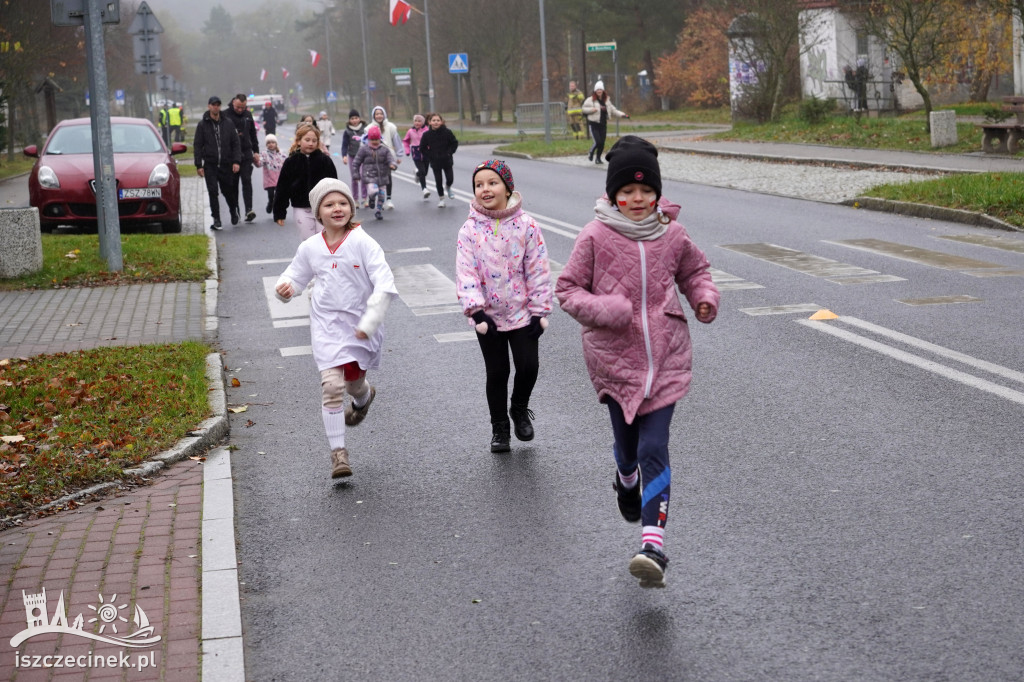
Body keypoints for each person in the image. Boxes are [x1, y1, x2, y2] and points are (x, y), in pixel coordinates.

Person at [555, 136, 718, 589]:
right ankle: (625, 479)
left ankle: (653, 547)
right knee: (627, 450)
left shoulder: (673, 234)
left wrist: (703, 297)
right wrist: (610, 310)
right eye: (627, 191)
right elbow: (567, 290)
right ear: (613, 194)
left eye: (646, 191)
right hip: (614, 359)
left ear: (658, 194)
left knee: (653, 448)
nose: (638, 200)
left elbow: (695, 272)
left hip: (666, 358)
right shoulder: (594, 236)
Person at [274, 178, 398, 480]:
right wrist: (285, 289)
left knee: (354, 385)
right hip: (327, 327)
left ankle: (363, 398)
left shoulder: (363, 242)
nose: (337, 209)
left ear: (351, 208)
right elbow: (294, 277)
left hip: (359, 328)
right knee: (331, 387)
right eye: (329, 204)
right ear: (318, 212)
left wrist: (370, 322)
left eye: (343, 203)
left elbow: (385, 284)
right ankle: (338, 454)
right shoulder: (310, 247)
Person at [455, 160, 553, 453]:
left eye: (492, 182)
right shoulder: (469, 229)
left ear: (507, 187)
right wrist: (476, 310)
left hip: (522, 312)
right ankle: (500, 428)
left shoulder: (527, 225)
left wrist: (540, 310)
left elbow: (538, 268)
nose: (485, 189)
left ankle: (519, 408)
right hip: (489, 317)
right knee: (497, 373)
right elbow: (466, 272)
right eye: (479, 185)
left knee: (528, 366)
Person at [273, 123, 338, 239]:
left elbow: (335, 186)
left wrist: (336, 207)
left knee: (324, 240)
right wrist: (279, 213)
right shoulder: (291, 162)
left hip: (323, 208)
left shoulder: (325, 161)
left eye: (314, 140)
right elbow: (282, 188)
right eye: (307, 140)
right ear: (298, 141)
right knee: (308, 242)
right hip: (301, 208)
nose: (311, 143)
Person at [193, 95, 241, 231]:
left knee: (228, 192)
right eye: (213, 104)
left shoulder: (228, 123)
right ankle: (217, 219)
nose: (216, 107)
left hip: (226, 164)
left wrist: (236, 161)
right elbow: (197, 145)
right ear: (209, 106)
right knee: (213, 191)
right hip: (210, 165)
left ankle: (233, 209)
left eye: (218, 105)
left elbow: (235, 143)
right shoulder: (202, 125)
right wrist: (198, 165)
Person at [223, 93, 262, 223]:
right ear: (233, 102)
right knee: (233, 185)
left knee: (247, 181)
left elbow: (253, 134)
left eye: (243, 107)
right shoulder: (225, 115)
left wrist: (256, 151)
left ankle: (248, 210)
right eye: (238, 107)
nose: (240, 110)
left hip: (246, 153)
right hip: (231, 155)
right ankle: (235, 211)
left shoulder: (247, 115)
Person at [351, 127, 397, 221]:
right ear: (368, 139)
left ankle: (378, 211)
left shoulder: (384, 150)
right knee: (373, 191)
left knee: (381, 195)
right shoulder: (364, 149)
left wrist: (392, 164)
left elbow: (390, 159)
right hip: (369, 176)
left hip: (383, 176)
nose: (375, 141)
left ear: (380, 139)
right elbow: (356, 162)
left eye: (376, 139)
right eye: (372, 139)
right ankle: (371, 198)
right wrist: (356, 174)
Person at [364, 106, 403, 210]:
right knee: (374, 178)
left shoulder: (391, 127)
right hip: (373, 157)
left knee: (387, 178)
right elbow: (364, 143)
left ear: (384, 114)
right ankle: (374, 197)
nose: (379, 116)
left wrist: (399, 155)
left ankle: (388, 199)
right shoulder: (368, 128)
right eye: (377, 114)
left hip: (387, 156)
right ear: (373, 116)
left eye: (381, 113)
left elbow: (397, 141)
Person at [581, 80, 628, 165]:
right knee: (598, 142)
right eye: (598, 89)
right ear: (595, 91)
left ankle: (598, 158)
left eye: (601, 89)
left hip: (603, 124)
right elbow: (583, 109)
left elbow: (613, 110)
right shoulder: (590, 100)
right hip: (594, 124)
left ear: (603, 90)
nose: (599, 91)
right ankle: (591, 152)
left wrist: (623, 115)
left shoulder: (606, 101)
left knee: (602, 143)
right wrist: (591, 110)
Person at [419, 112, 458, 208]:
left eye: (438, 120)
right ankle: (441, 199)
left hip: (447, 160)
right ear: (429, 122)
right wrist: (430, 156)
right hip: (435, 161)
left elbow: (454, 143)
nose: (436, 122)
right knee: (438, 181)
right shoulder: (427, 135)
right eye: (434, 120)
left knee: (450, 179)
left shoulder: (447, 132)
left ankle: (448, 187)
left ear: (441, 122)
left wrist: (449, 152)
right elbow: (422, 148)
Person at [341, 109, 369, 208]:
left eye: (356, 118)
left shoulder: (365, 129)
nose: (354, 120)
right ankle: (355, 199)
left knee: (363, 176)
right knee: (354, 178)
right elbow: (344, 145)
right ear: (349, 120)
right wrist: (344, 156)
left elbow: (370, 141)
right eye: (352, 118)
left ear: (359, 118)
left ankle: (365, 198)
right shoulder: (347, 131)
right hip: (352, 156)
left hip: (364, 156)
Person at [402, 114, 431, 200]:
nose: (417, 123)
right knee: (422, 171)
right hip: (416, 153)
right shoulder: (410, 131)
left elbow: (432, 141)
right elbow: (405, 141)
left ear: (423, 122)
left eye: (419, 121)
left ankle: (417, 173)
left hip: (426, 152)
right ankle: (424, 189)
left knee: (425, 172)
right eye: (415, 121)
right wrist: (407, 150)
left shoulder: (427, 130)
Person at [259, 133, 286, 214]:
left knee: (278, 196)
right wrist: (255, 160)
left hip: (279, 179)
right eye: (268, 143)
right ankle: (270, 203)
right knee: (271, 196)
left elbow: (287, 163)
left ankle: (277, 210)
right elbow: (259, 164)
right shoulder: (264, 154)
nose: (271, 144)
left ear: (276, 144)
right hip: (269, 179)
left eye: (272, 142)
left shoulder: (281, 154)